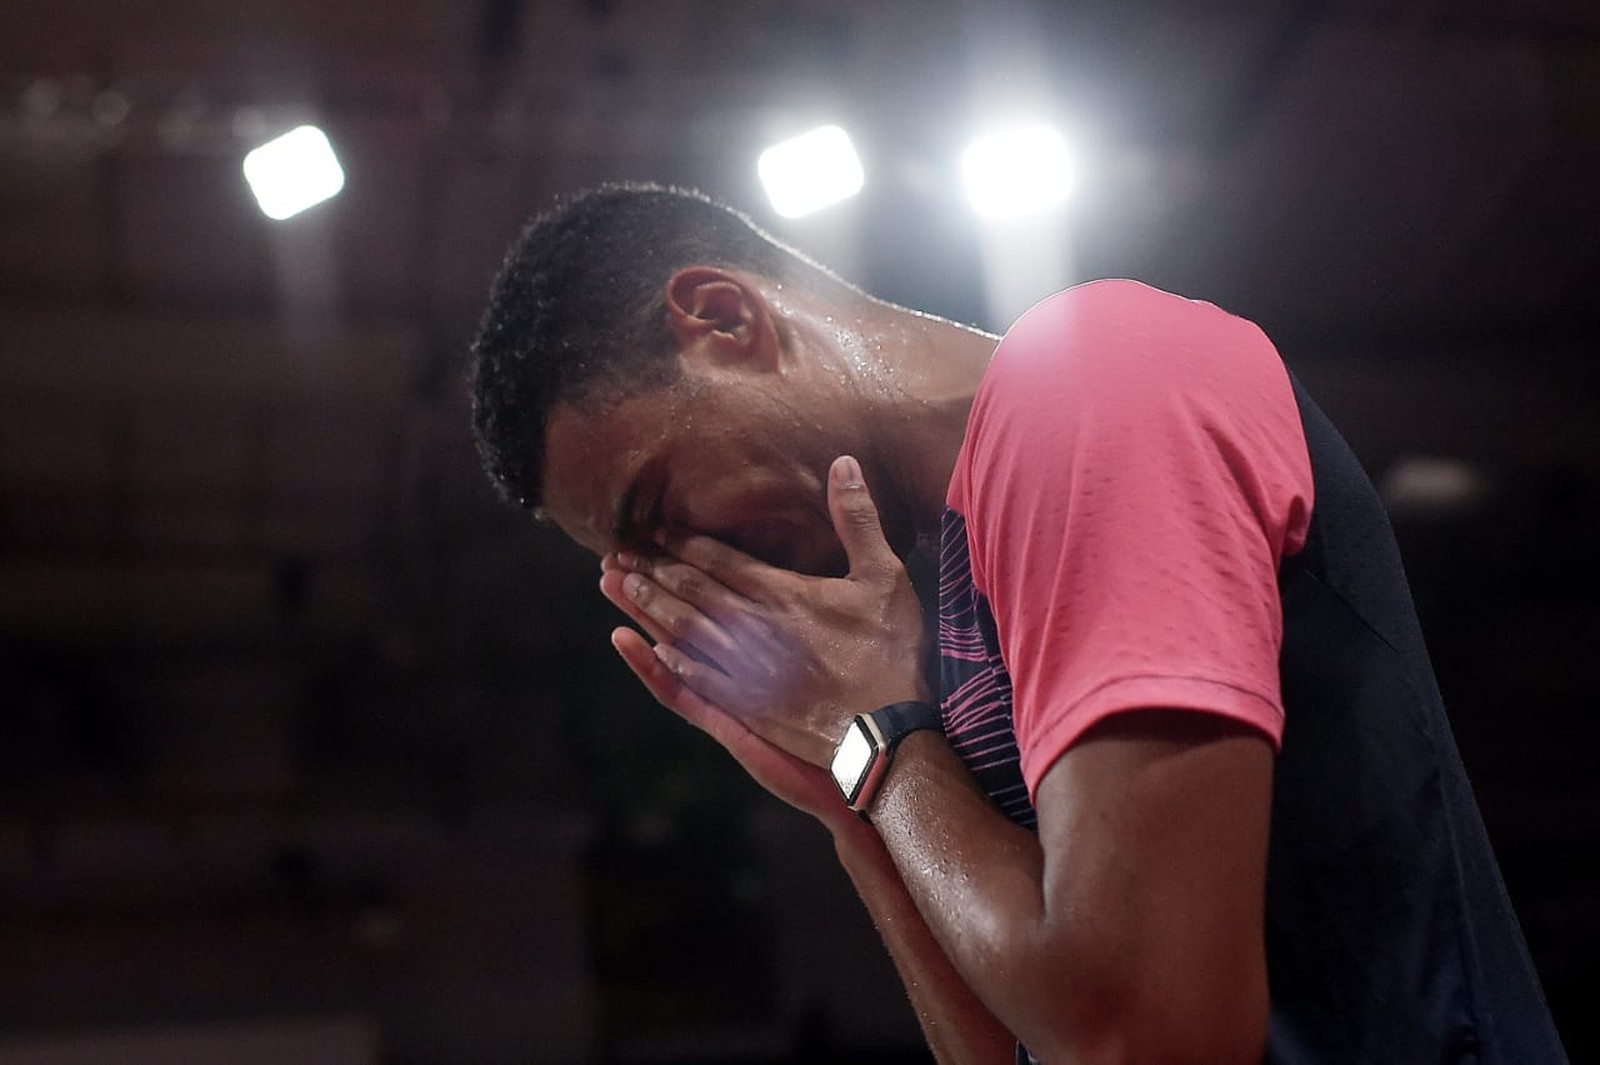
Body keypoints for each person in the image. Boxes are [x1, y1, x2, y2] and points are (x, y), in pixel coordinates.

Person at [470, 184, 1566, 1064]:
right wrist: (847, 788)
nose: (695, 572)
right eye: (651, 563)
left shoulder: (1091, 387)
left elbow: (1149, 1037)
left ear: (724, 319)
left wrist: (883, 746)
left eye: (660, 511)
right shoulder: (935, 600)